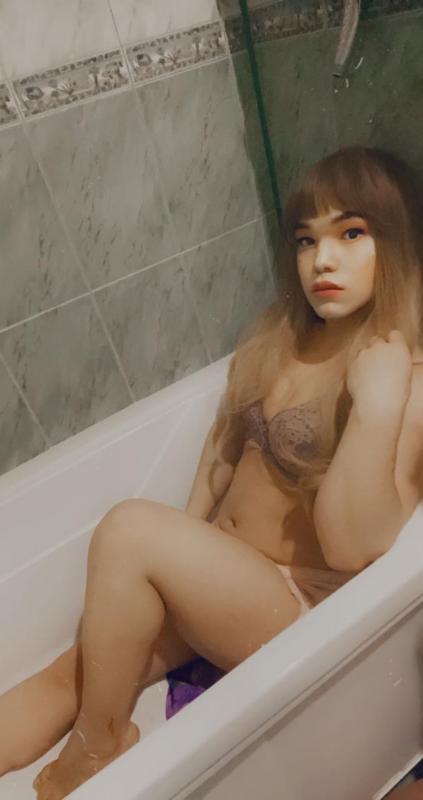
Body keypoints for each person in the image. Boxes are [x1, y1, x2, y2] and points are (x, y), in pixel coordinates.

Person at [2, 146, 423, 800]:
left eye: (350, 233)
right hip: (226, 578)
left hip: (298, 604)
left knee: (129, 529)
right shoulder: (282, 335)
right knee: (75, 673)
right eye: (306, 239)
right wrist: (172, 570)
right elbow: (221, 455)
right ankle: (96, 723)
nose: (322, 260)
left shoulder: (402, 377)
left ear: (397, 242)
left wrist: (376, 406)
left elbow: (351, 547)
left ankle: (98, 749)